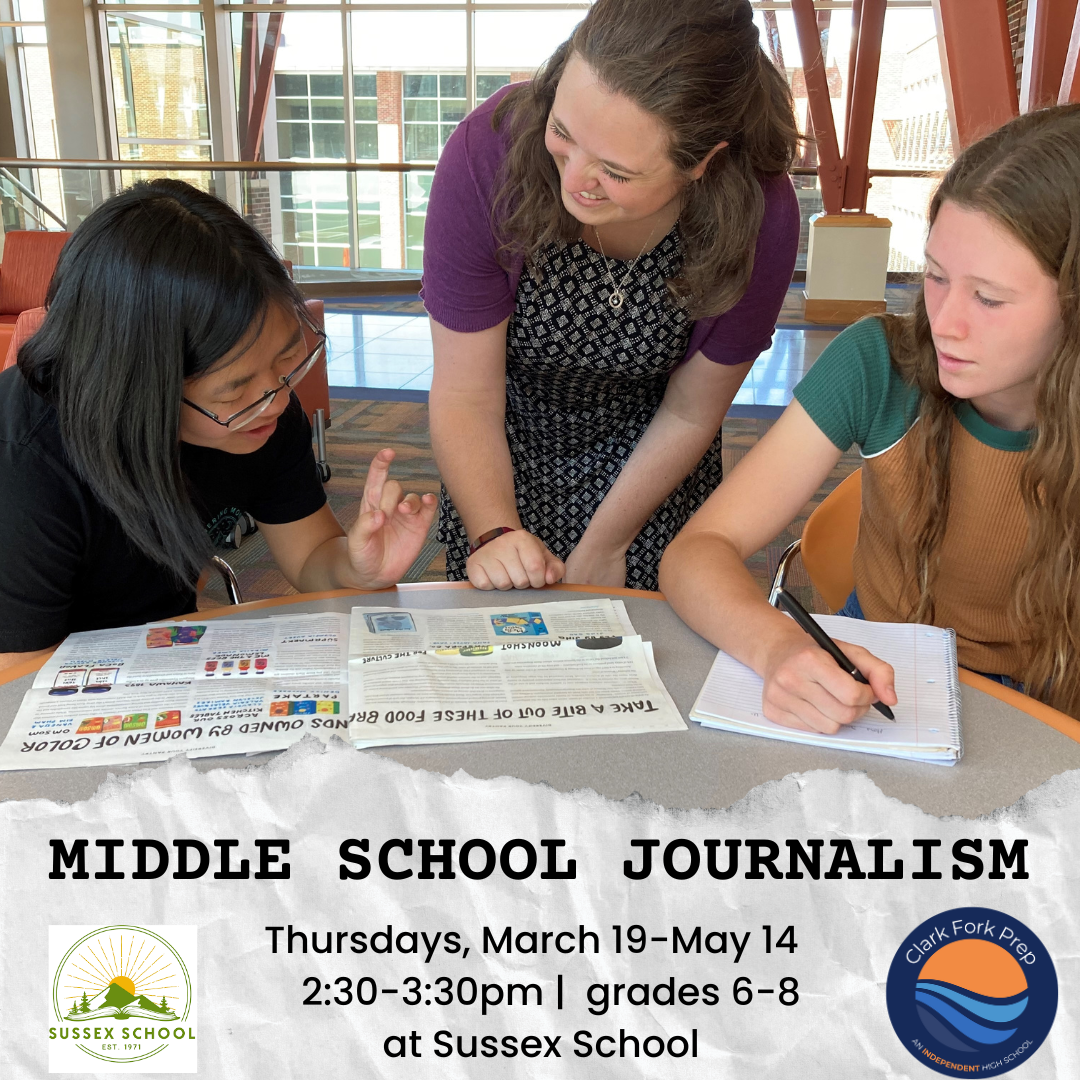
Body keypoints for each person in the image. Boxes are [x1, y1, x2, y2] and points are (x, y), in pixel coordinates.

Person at [659, 105, 1080, 728]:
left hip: (1050, 703)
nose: (944, 322)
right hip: (880, 675)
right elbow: (696, 552)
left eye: (989, 298)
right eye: (935, 276)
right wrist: (776, 646)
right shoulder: (880, 363)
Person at [422, 0, 801, 592]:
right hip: (500, 446)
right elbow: (466, 394)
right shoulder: (490, 151)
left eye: (616, 172)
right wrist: (494, 531)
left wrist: (606, 544)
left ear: (703, 161)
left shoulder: (759, 214)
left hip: (651, 466)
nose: (574, 181)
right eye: (562, 134)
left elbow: (691, 410)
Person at [0, 179, 436, 673]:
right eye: (234, 391)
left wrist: (355, 569)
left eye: (288, 359)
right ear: (140, 386)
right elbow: (17, 675)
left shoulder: (263, 411)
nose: (277, 401)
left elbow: (311, 554)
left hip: (167, 651)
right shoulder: (27, 464)